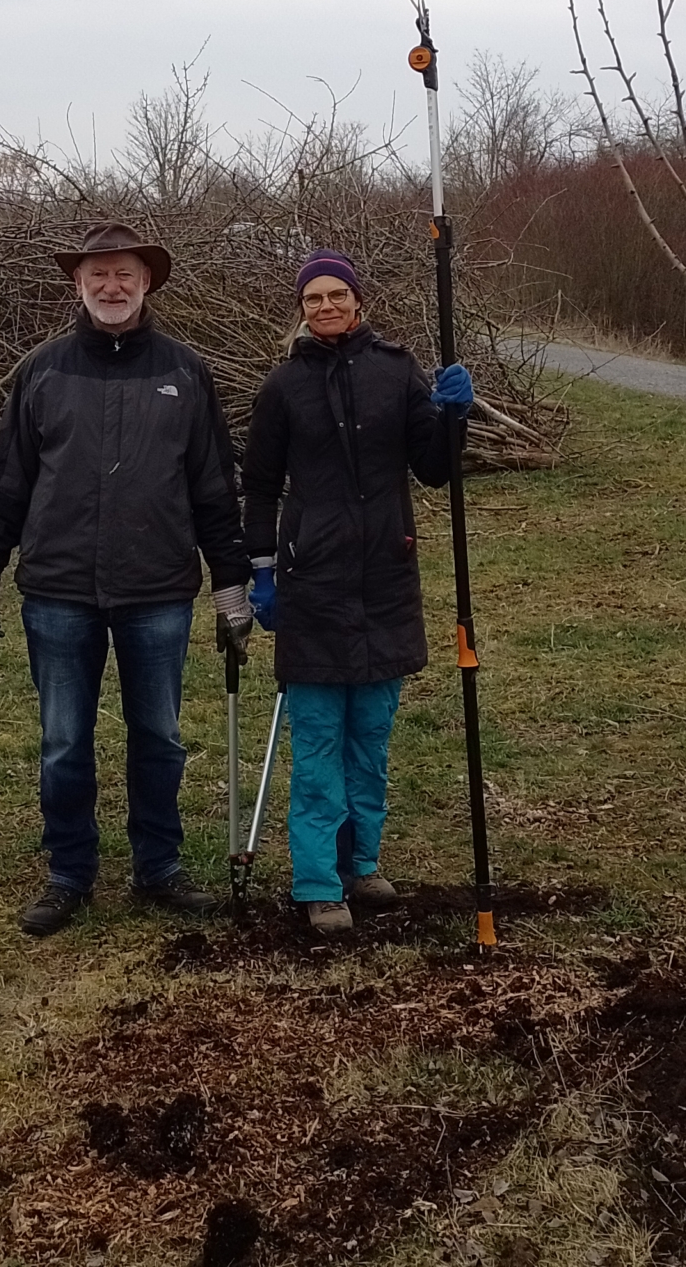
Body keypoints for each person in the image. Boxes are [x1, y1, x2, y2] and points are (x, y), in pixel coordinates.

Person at [0, 222, 253, 935]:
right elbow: (7, 483)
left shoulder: (185, 371)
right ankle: (70, 872)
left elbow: (214, 488)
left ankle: (159, 867)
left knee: (159, 736)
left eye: (125, 274)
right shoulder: (43, 371)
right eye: (99, 275)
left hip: (158, 589)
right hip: (59, 591)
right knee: (64, 740)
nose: (112, 286)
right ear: (78, 284)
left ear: (146, 283)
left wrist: (231, 589)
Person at [241, 250, 471, 935]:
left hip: (385, 584)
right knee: (316, 744)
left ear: (358, 301)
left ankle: (361, 864)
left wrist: (453, 416)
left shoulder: (397, 371)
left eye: (337, 295)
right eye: (313, 299)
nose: (327, 307)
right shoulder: (282, 387)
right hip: (311, 585)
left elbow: (432, 469)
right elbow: (257, 485)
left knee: (370, 740)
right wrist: (260, 570)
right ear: (302, 311)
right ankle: (318, 881)